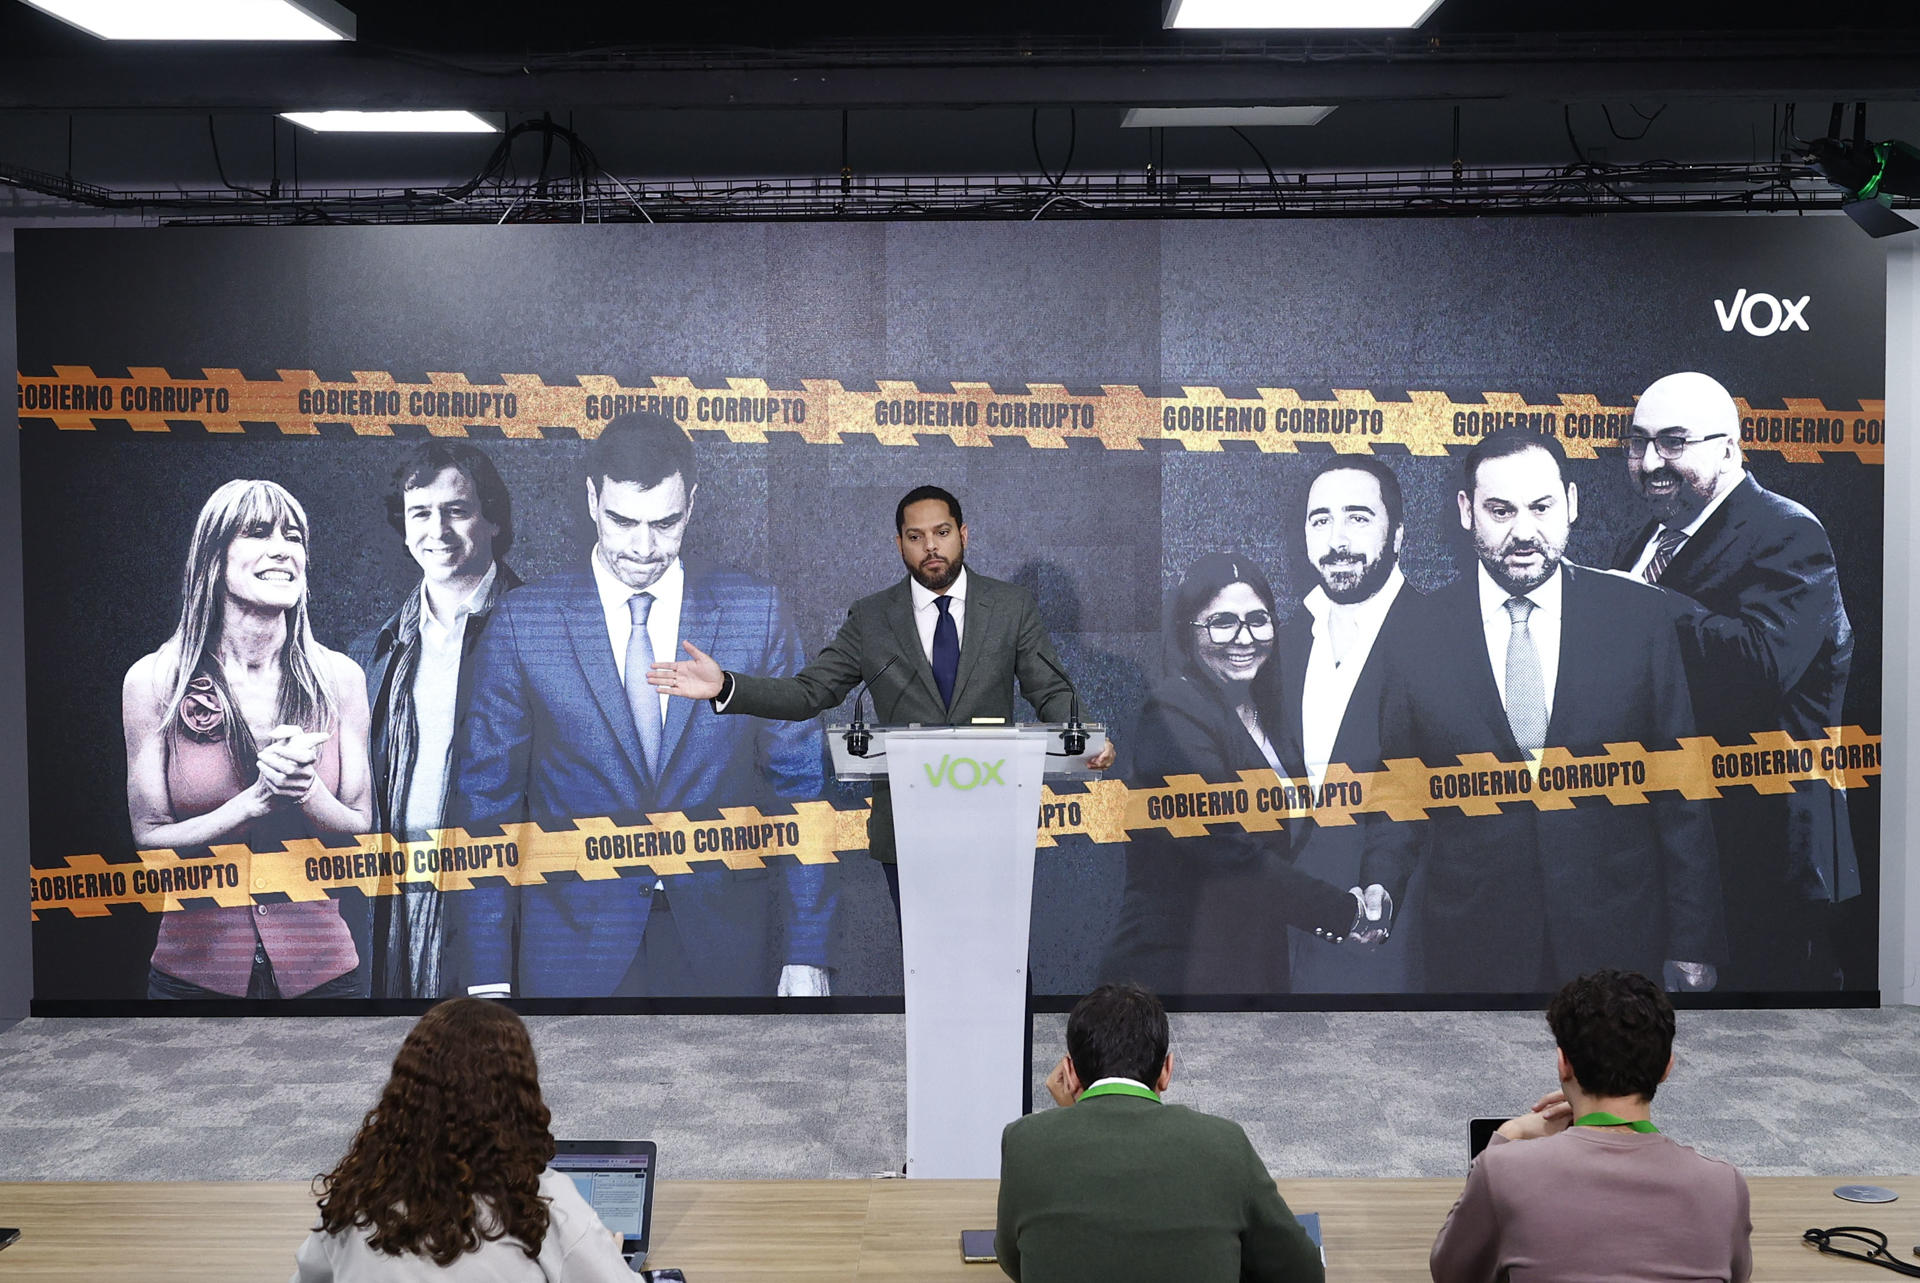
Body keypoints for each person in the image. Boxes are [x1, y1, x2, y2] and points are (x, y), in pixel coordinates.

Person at [445, 412, 835, 998]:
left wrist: (808, 950)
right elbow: (485, 811)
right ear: (591, 499)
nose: (643, 547)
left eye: (666, 522)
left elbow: (801, 790)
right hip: (573, 954)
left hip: (725, 950)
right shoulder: (525, 624)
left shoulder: (756, 613)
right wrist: (487, 978)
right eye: (623, 520)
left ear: (693, 504)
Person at [1357, 428, 1724, 992]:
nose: (1523, 532)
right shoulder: (1413, 633)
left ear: (1572, 504)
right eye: (1500, 511)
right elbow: (1400, 788)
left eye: (1541, 507)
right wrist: (1381, 881)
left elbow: (1683, 797)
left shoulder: (1639, 620)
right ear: (1466, 511)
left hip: (1618, 937)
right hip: (1473, 946)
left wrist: (1693, 942)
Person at [648, 483, 1115, 915]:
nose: (931, 547)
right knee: (926, 964)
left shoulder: (1010, 607)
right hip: (909, 828)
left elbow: (1049, 688)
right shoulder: (873, 618)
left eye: (942, 532)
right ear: (900, 545)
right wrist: (727, 686)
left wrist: (1089, 737)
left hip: (992, 821)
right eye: (916, 537)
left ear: (963, 534)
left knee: (1005, 963)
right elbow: (811, 692)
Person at [1613, 372, 1859, 991]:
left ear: (1728, 447)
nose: (1649, 463)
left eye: (1672, 442)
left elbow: (1760, 666)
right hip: (1677, 860)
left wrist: (1630, 605)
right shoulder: (1644, 541)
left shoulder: (1788, 532)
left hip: (1766, 864)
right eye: (1637, 443)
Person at [123, 478, 374, 1000]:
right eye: (259, 533)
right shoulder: (153, 681)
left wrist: (307, 791)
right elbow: (149, 839)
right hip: (193, 978)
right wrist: (253, 802)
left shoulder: (342, 678)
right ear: (214, 556)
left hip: (324, 977)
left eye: (295, 536)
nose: (283, 549)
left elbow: (362, 833)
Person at [1101, 552, 1366, 994]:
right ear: (1189, 632)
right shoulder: (1170, 713)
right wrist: (1342, 913)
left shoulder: (1272, 715)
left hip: (1250, 961)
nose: (1245, 638)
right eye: (1222, 622)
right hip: (1177, 971)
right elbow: (1228, 850)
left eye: (1258, 620)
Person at [1429, 969, 1752, 1283]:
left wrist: (1509, 1135)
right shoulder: (1723, 1184)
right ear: (1667, 1066)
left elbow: (1452, 1274)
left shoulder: (1503, 1170)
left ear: (1563, 1063)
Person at [994, 983, 1324, 1283]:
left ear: (1068, 1072)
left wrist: (1073, 1114)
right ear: (1166, 1070)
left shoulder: (1024, 1142)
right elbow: (1303, 1272)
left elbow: (1013, 1260)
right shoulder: (1224, 1143)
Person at [290, 997, 633, 1282]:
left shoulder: (356, 1199)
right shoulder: (543, 1205)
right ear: (518, 1095)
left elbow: (308, 1275)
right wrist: (609, 1259)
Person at [350, 442, 522, 1000]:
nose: (438, 531)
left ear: (492, 518)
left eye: (457, 510)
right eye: (420, 513)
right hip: (398, 905)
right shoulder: (374, 654)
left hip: (504, 903)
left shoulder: (547, 631)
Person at [1275, 458, 1424, 994]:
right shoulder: (1284, 642)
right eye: (1320, 520)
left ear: (1398, 535)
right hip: (1287, 940)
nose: (1337, 540)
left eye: (1358, 518)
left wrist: (1382, 886)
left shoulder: (1442, 638)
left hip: (1396, 944)